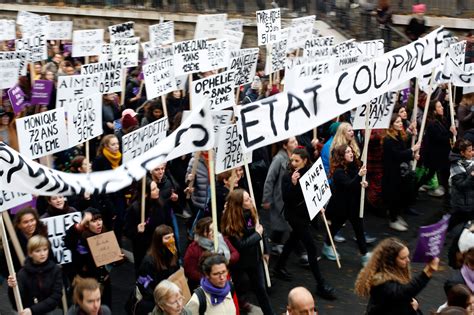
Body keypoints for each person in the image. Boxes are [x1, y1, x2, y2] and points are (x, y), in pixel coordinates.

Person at [273, 148, 337, 301]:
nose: (293, 163)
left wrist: (320, 204)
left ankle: (278, 267)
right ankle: (320, 284)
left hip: (306, 214)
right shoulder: (288, 176)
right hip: (295, 217)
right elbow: (287, 199)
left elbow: (317, 192)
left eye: (297, 161)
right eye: (292, 160)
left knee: (292, 240)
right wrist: (294, 184)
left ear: (305, 161)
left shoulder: (311, 172)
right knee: (311, 248)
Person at [221, 189, 275, 315]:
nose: (250, 200)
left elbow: (262, 229)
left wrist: (266, 250)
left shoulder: (252, 211)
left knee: (261, 290)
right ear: (239, 204)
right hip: (240, 263)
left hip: (255, 259)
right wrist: (257, 235)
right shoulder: (230, 221)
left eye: (249, 197)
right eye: (246, 199)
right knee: (239, 289)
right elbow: (240, 245)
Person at [355, 237, 439, 314]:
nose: (408, 260)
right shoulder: (381, 283)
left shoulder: (396, 270)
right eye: (403, 258)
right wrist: (427, 272)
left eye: (407, 256)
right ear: (391, 260)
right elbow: (402, 293)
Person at [322, 144, 371, 266]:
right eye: (347, 152)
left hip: (353, 205)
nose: (351, 154)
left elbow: (356, 183)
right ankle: (327, 246)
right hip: (341, 206)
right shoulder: (338, 172)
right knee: (335, 227)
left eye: (351, 151)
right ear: (341, 156)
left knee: (359, 229)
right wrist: (359, 177)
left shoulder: (355, 166)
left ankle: (365, 255)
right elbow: (349, 185)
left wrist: (363, 184)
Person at [65, 208, 119, 307]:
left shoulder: (105, 235)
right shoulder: (79, 240)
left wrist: (118, 259)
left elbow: (111, 262)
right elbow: (68, 241)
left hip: (104, 283)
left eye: (100, 219)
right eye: (94, 221)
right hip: (86, 285)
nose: (99, 223)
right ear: (86, 224)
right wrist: (80, 225)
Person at [7, 235, 63, 315]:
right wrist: (12, 287)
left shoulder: (55, 270)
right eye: (37, 251)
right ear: (30, 253)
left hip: (49, 312)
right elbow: (16, 301)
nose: (42, 254)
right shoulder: (22, 273)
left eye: (45, 249)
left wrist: (32, 310)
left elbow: (56, 296)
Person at [382, 114, 420, 231]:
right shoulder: (388, 140)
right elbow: (397, 155)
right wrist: (412, 150)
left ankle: (397, 215)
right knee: (394, 196)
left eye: (400, 122)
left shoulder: (398, 135)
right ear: (391, 124)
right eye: (397, 122)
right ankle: (393, 220)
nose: (400, 124)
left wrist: (413, 156)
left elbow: (403, 151)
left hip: (400, 172)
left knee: (400, 195)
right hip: (392, 173)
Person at [262, 137, 298, 254]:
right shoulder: (278, 159)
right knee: (292, 224)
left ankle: (274, 243)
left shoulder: (295, 157)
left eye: (296, 140)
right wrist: (266, 199)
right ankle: (302, 252)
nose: (296, 143)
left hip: (290, 197)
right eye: (292, 142)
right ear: (284, 145)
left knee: (284, 224)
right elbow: (269, 179)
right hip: (280, 198)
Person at [135, 225, 180, 315]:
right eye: (167, 238)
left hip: (169, 294)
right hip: (154, 300)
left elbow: (176, 272)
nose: (171, 240)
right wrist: (160, 299)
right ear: (159, 241)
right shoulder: (148, 261)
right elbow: (144, 285)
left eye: (172, 236)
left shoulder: (173, 252)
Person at [184, 217, 239, 290]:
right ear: (203, 232)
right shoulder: (193, 249)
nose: (214, 233)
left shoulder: (221, 239)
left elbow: (235, 254)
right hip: (205, 286)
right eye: (210, 231)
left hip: (224, 280)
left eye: (214, 229)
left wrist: (225, 260)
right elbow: (190, 271)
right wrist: (209, 277)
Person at [448, 139, 474, 230]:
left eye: (472, 150)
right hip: (462, 204)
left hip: (470, 201)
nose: (472, 153)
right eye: (470, 151)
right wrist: (471, 176)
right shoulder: (455, 166)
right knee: (457, 225)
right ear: (462, 153)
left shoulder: (470, 161)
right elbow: (462, 186)